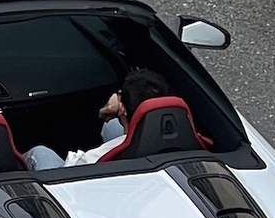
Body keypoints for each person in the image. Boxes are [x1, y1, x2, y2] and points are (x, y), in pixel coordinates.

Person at [25, 66, 174, 171]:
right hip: (148, 159)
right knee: (112, 126)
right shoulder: (184, 136)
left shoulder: (96, 157)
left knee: (40, 153)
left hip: (87, 180)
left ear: (122, 108)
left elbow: (71, 169)